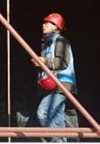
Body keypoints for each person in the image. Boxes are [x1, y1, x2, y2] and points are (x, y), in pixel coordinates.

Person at [33, 12, 78, 142]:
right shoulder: (48, 43)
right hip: (52, 85)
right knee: (57, 118)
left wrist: (44, 61)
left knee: (43, 112)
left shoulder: (60, 40)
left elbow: (62, 63)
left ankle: (56, 141)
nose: (43, 25)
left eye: (47, 23)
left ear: (55, 26)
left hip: (62, 84)